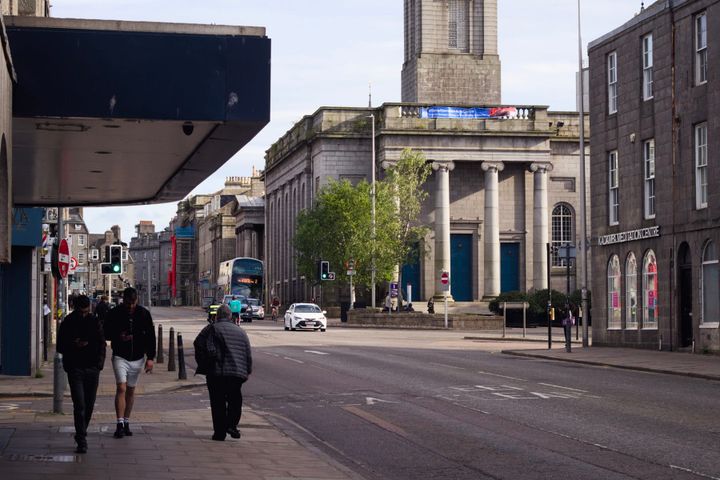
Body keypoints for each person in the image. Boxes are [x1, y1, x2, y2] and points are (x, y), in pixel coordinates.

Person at [194, 304, 252, 441]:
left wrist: (203, 363)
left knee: (217, 402)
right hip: (236, 373)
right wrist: (248, 370)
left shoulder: (211, 328)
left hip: (217, 372)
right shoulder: (241, 331)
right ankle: (231, 424)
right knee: (235, 399)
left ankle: (219, 433)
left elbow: (198, 343)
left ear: (217, 316)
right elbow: (247, 353)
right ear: (230, 316)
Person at [104, 287, 156, 439]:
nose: (131, 306)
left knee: (131, 391)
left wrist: (150, 358)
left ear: (137, 300)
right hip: (120, 355)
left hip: (138, 357)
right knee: (121, 387)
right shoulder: (115, 313)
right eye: (128, 303)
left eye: (133, 303)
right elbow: (106, 332)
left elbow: (151, 337)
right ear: (123, 300)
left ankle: (126, 422)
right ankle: (119, 423)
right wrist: (118, 336)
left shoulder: (144, 314)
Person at [56, 295, 106, 454]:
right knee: (80, 404)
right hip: (75, 368)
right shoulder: (68, 323)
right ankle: (81, 438)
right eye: (81, 312)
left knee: (89, 405)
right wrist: (74, 344)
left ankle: (81, 432)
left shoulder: (94, 321)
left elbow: (102, 344)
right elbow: (60, 346)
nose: (84, 314)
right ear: (75, 308)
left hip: (92, 368)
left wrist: (99, 365)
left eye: (86, 311)